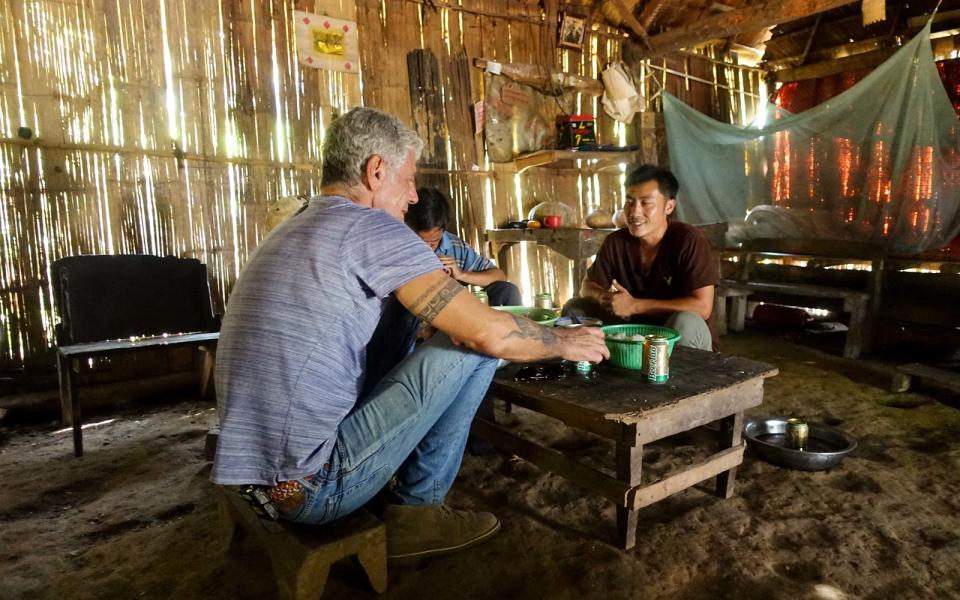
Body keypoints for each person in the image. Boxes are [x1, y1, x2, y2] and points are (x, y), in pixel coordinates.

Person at [211, 107, 608, 561]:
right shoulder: (372, 226)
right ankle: (419, 513)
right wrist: (561, 340)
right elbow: (488, 336)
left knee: (426, 322)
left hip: (255, 477)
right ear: (376, 170)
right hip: (311, 489)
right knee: (473, 346)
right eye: (409, 178)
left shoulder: (298, 226)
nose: (414, 196)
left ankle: (395, 480)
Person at [564, 164, 718, 350]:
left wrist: (636, 306)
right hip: (633, 334)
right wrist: (605, 298)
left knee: (685, 320)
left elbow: (702, 307)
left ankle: (682, 378)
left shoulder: (689, 240)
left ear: (668, 206)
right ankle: (593, 375)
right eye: (629, 202)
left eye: (646, 203)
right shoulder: (616, 242)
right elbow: (587, 287)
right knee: (576, 308)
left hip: (675, 337)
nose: (635, 212)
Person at [409, 188, 521, 307]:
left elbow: (499, 276)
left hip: (453, 312)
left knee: (507, 290)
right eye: (421, 242)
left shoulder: (455, 246)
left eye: (433, 242)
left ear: (443, 230)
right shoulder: (398, 246)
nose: (428, 248)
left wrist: (461, 274)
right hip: (415, 311)